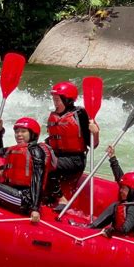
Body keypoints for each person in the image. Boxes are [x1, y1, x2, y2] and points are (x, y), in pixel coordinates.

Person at [0, 117, 56, 223]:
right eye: (17, 132)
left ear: (32, 134)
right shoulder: (15, 149)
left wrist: (35, 208)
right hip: (14, 192)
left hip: (25, 199)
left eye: (23, 131)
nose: (19, 134)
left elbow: (37, 179)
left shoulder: (36, 150)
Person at [46, 81, 99, 209]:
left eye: (57, 100)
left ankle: (62, 200)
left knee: (47, 164)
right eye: (54, 100)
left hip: (75, 160)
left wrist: (95, 133)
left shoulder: (80, 115)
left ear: (67, 100)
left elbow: (93, 145)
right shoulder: (54, 116)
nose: (55, 103)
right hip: (57, 156)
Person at [88, 146, 134, 238]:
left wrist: (111, 231)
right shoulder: (133, 199)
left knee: (116, 206)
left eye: (124, 189)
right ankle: (91, 227)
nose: (121, 191)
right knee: (115, 206)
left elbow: (125, 229)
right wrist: (113, 159)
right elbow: (120, 178)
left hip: (130, 243)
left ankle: (91, 228)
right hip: (122, 236)